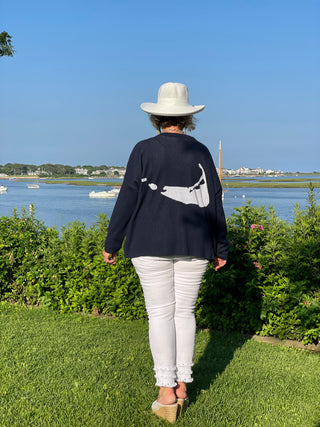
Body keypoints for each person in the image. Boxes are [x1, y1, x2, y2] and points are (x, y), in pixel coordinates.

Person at [103, 82, 228, 423]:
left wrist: (111, 243)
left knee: (160, 314)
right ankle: (183, 385)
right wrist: (221, 247)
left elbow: (128, 197)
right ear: (188, 118)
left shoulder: (142, 150)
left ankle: (165, 393)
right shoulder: (201, 151)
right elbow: (214, 200)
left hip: (148, 244)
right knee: (184, 314)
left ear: (156, 117)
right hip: (196, 244)